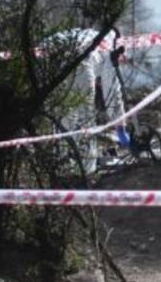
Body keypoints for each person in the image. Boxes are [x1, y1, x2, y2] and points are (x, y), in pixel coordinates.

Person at [55, 28, 130, 173]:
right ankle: (86, 170)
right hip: (82, 66)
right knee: (86, 118)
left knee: (63, 118)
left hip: (54, 65)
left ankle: (62, 166)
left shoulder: (90, 34)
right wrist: (120, 127)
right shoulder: (109, 47)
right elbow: (113, 91)